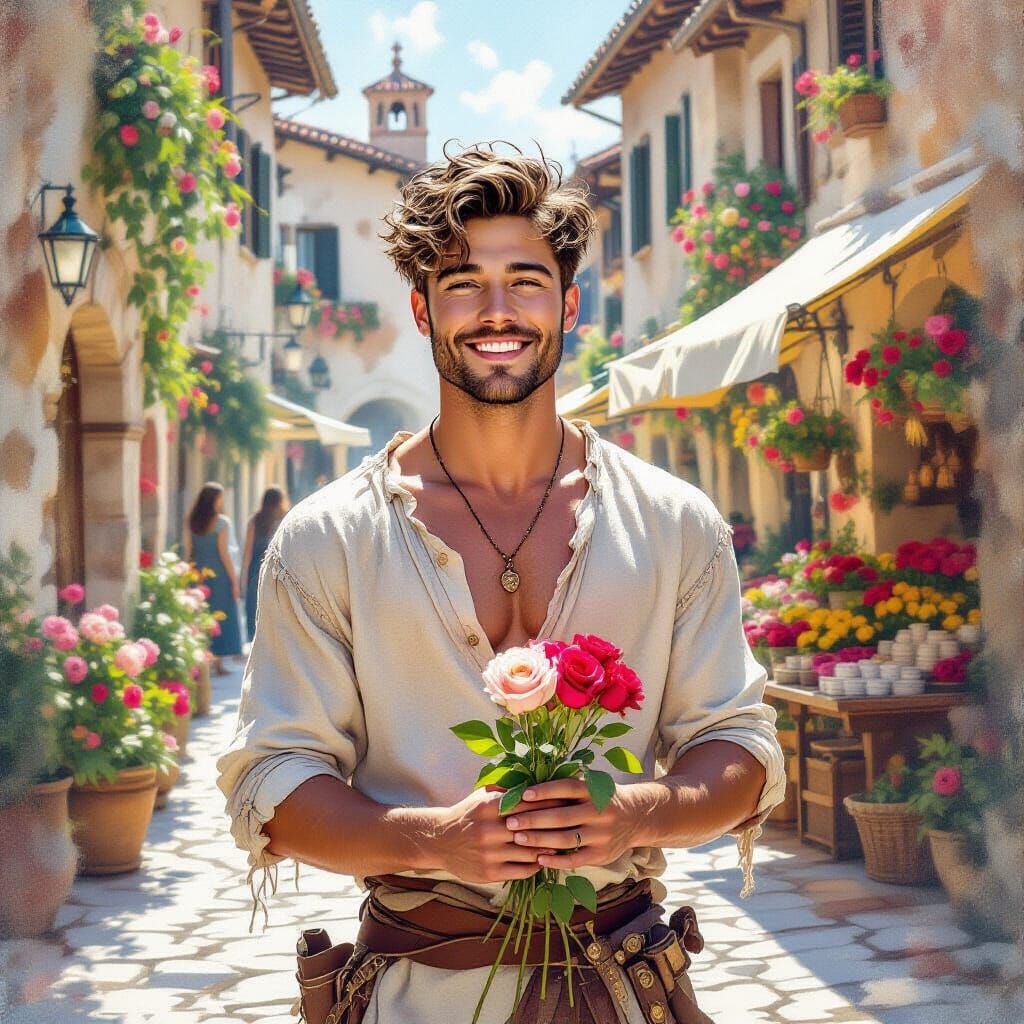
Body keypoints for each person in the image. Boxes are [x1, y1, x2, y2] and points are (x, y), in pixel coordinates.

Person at [217, 146, 784, 1024]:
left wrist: (633, 815)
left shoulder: (675, 523)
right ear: (422, 308)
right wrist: (432, 840)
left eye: (525, 281)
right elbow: (275, 781)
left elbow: (738, 746)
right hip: (417, 994)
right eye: (462, 284)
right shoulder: (326, 539)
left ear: (569, 304)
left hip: (626, 991)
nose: (496, 311)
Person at [184, 482, 242, 674]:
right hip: (219, 576)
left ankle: (202, 663)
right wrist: (234, 581)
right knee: (221, 616)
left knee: (201, 615)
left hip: (198, 574)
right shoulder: (222, 522)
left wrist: (189, 574)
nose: (221, 502)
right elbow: (224, 554)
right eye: (220, 498)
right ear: (214, 500)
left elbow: (189, 551)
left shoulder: (192, 521)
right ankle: (218, 664)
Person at [241, 486, 289, 642]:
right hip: (277, 571)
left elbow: (247, 552)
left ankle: (255, 642)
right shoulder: (286, 519)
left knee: (254, 609)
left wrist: (243, 578)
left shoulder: (255, 520)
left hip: (256, 571)